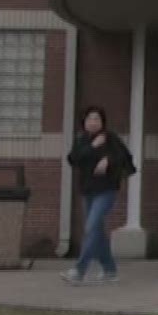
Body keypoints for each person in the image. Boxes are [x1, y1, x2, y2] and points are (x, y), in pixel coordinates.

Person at [62, 105, 134, 284]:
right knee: (98, 232)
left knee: (91, 227)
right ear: (84, 122)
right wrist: (93, 147)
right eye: (90, 119)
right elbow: (73, 159)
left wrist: (108, 160)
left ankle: (79, 270)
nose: (93, 122)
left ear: (103, 122)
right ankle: (110, 270)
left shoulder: (110, 139)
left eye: (97, 119)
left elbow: (126, 159)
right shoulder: (82, 140)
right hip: (88, 190)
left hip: (106, 189)